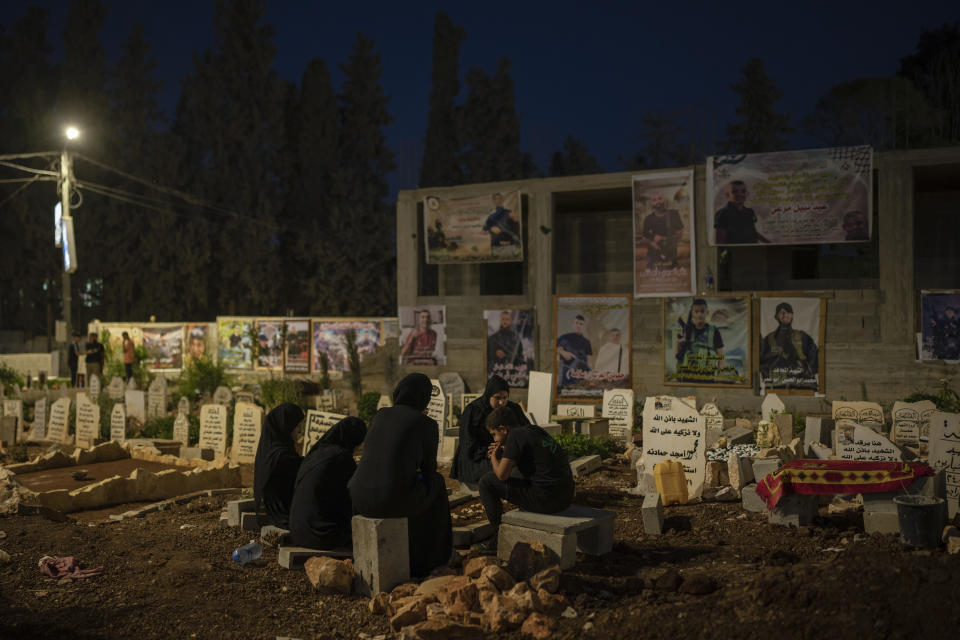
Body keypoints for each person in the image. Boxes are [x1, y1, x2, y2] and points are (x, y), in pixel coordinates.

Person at [348, 373, 453, 578]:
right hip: (390, 500)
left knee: (414, 485)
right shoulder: (426, 423)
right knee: (436, 483)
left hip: (358, 498)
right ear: (424, 398)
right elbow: (429, 470)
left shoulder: (380, 415)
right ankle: (433, 557)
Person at [476, 407, 575, 552]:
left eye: (494, 434)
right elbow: (520, 462)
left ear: (503, 429)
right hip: (565, 496)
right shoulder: (533, 430)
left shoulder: (515, 436)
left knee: (486, 482)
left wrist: (492, 457)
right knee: (514, 474)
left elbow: (501, 475)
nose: (494, 440)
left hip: (548, 501)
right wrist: (504, 452)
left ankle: (498, 536)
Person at [289, 416, 367, 550]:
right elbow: (354, 496)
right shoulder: (341, 457)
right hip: (320, 535)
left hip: (298, 531)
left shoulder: (318, 451)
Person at [450, 375, 530, 485]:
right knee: (497, 468)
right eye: (497, 398)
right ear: (488, 396)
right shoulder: (473, 411)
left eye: (505, 398)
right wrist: (488, 452)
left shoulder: (513, 408)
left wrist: (507, 448)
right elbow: (468, 443)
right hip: (477, 457)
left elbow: (526, 431)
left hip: (507, 452)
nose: (502, 402)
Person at [253, 403, 305, 529]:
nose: (299, 430)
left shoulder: (276, 447)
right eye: (297, 426)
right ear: (285, 426)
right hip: (282, 513)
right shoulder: (279, 456)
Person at [759, 302, 819, 389]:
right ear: (776, 316)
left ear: (792, 315)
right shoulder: (768, 339)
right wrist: (767, 376)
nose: (784, 315)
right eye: (781, 312)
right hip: (776, 386)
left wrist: (808, 371)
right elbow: (760, 361)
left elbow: (815, 356)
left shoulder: (802, 337)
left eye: (787, 312)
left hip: (802, 386)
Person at [675, 299, 724, 377]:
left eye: (702, 311)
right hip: (687, 376)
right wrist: (678, 343)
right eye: (696, 311)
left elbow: (721, 356)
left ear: (707, 313)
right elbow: (678, 355)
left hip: (707, 377)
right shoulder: (687, 330)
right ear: (692, 313)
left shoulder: (714, 331)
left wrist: (720, 375)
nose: (699, 314)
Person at [641, 193, 684, 269]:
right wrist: (652, 241)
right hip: (654, 253)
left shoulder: (674, 214)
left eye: (660, 198)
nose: (658, 201)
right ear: (651, 203)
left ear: (665, 200)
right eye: (654, 200)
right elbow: (644, 234)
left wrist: (666, 240)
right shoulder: (648, 219)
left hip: (670, 252)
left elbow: (679, 234)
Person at [556, 314, 593, 386]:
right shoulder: (565, 337)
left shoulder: (587, 342)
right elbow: (556, 348)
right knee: (563, 391)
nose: (578, 325)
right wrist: (563, 353)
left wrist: (590, 374)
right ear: (573, 324)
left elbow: (590, 361)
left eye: (581, 324)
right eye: (576, 323)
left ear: (584, 327)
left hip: (581, 373)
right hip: (565, 371)